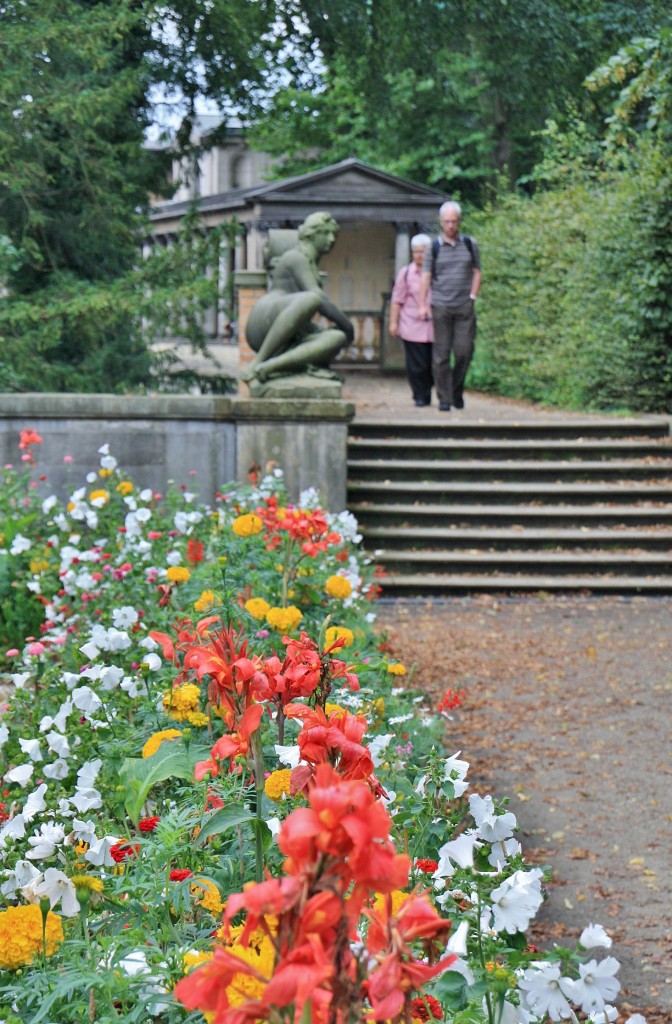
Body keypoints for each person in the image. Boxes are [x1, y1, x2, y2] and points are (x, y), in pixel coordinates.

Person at [241, 212, 354, 384]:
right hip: (265, 320)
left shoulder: (310, 263)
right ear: (311, 234)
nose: (332, 239)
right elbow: (318, 298)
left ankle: (270, 367)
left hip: (290, 332)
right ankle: (257, 361)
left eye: (334, 235)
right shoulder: (296, 257)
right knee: (313, 299)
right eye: (326, 233)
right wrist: (347, 325)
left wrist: (341, 332)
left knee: (336, 337)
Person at [418, 200, 481, 411]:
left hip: (464, 306)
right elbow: (426, 276)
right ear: (441, 223)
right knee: (441, 355)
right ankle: (445, 398)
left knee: (464, 351)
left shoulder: (470, 244)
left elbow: (477, 272)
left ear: (459, 222)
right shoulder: (433, 248)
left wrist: (473, 295)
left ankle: (456, 390)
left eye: (454, 221)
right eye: (447, 222)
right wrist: (422, 304)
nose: (451, 226)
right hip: (441, 306)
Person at [389, 234, 434, 407]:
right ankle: (419, 396)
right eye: (415, 252)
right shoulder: (406, 272)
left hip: (434, 326)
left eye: (422, 252)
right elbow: (397, 299)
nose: (419, 255)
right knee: (416, 364)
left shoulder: (436, 272)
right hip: (412, 324)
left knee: (431, 364)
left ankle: (427, 390)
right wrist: (393, 322)